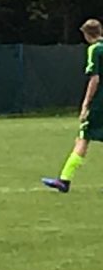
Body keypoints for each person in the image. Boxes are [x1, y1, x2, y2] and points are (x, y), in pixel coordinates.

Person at [44, 19, 103, 193]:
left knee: (83, 138)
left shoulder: (95, 49)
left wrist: (86, 103)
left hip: (99, 103)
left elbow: (95, 79)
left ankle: (64, 180)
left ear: (86, 34)